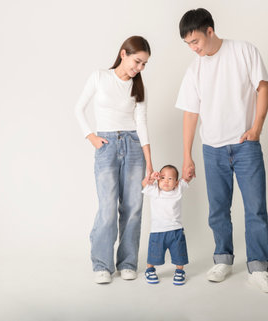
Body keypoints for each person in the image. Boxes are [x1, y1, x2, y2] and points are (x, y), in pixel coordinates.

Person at [175, 8, 268, 293]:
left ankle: (258, 269)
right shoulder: (194, 68)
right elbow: (190, 113)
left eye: (195, 41)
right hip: (212, 149)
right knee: (218, 210)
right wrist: (187, 155)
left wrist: (256, 128)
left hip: (246, 145)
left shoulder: (243, 50)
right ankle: (223, 259)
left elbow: (263, 87)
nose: (193, 48)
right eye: (188, 44)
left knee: (255, 208)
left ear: (210, 31)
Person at [75, 36, 154, 284]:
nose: (139, 68)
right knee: (108, 208)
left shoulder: (138, 87)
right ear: (123, 54)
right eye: (137, 61)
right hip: (107, 145)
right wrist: (91, 136)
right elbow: (79, 108)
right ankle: (102, 263)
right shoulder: (100, 76)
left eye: (144, 64)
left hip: (133, 146)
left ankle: (128, 262)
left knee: (133, 208)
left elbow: (141, 123)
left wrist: (149, 162)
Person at [141, 165, 191, 285]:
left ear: (176, 182)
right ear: (158, 180)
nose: (166, 182)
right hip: (157, 231)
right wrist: (151, 177)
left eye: (170, 179)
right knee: (154, 253)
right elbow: (144, 184)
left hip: (176, 230)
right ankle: (150, 269)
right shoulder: (154, 191)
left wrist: (189, 172)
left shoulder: (178, 189)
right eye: (163, 178)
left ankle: (179, 271)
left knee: (179, 253)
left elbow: (187, 178)